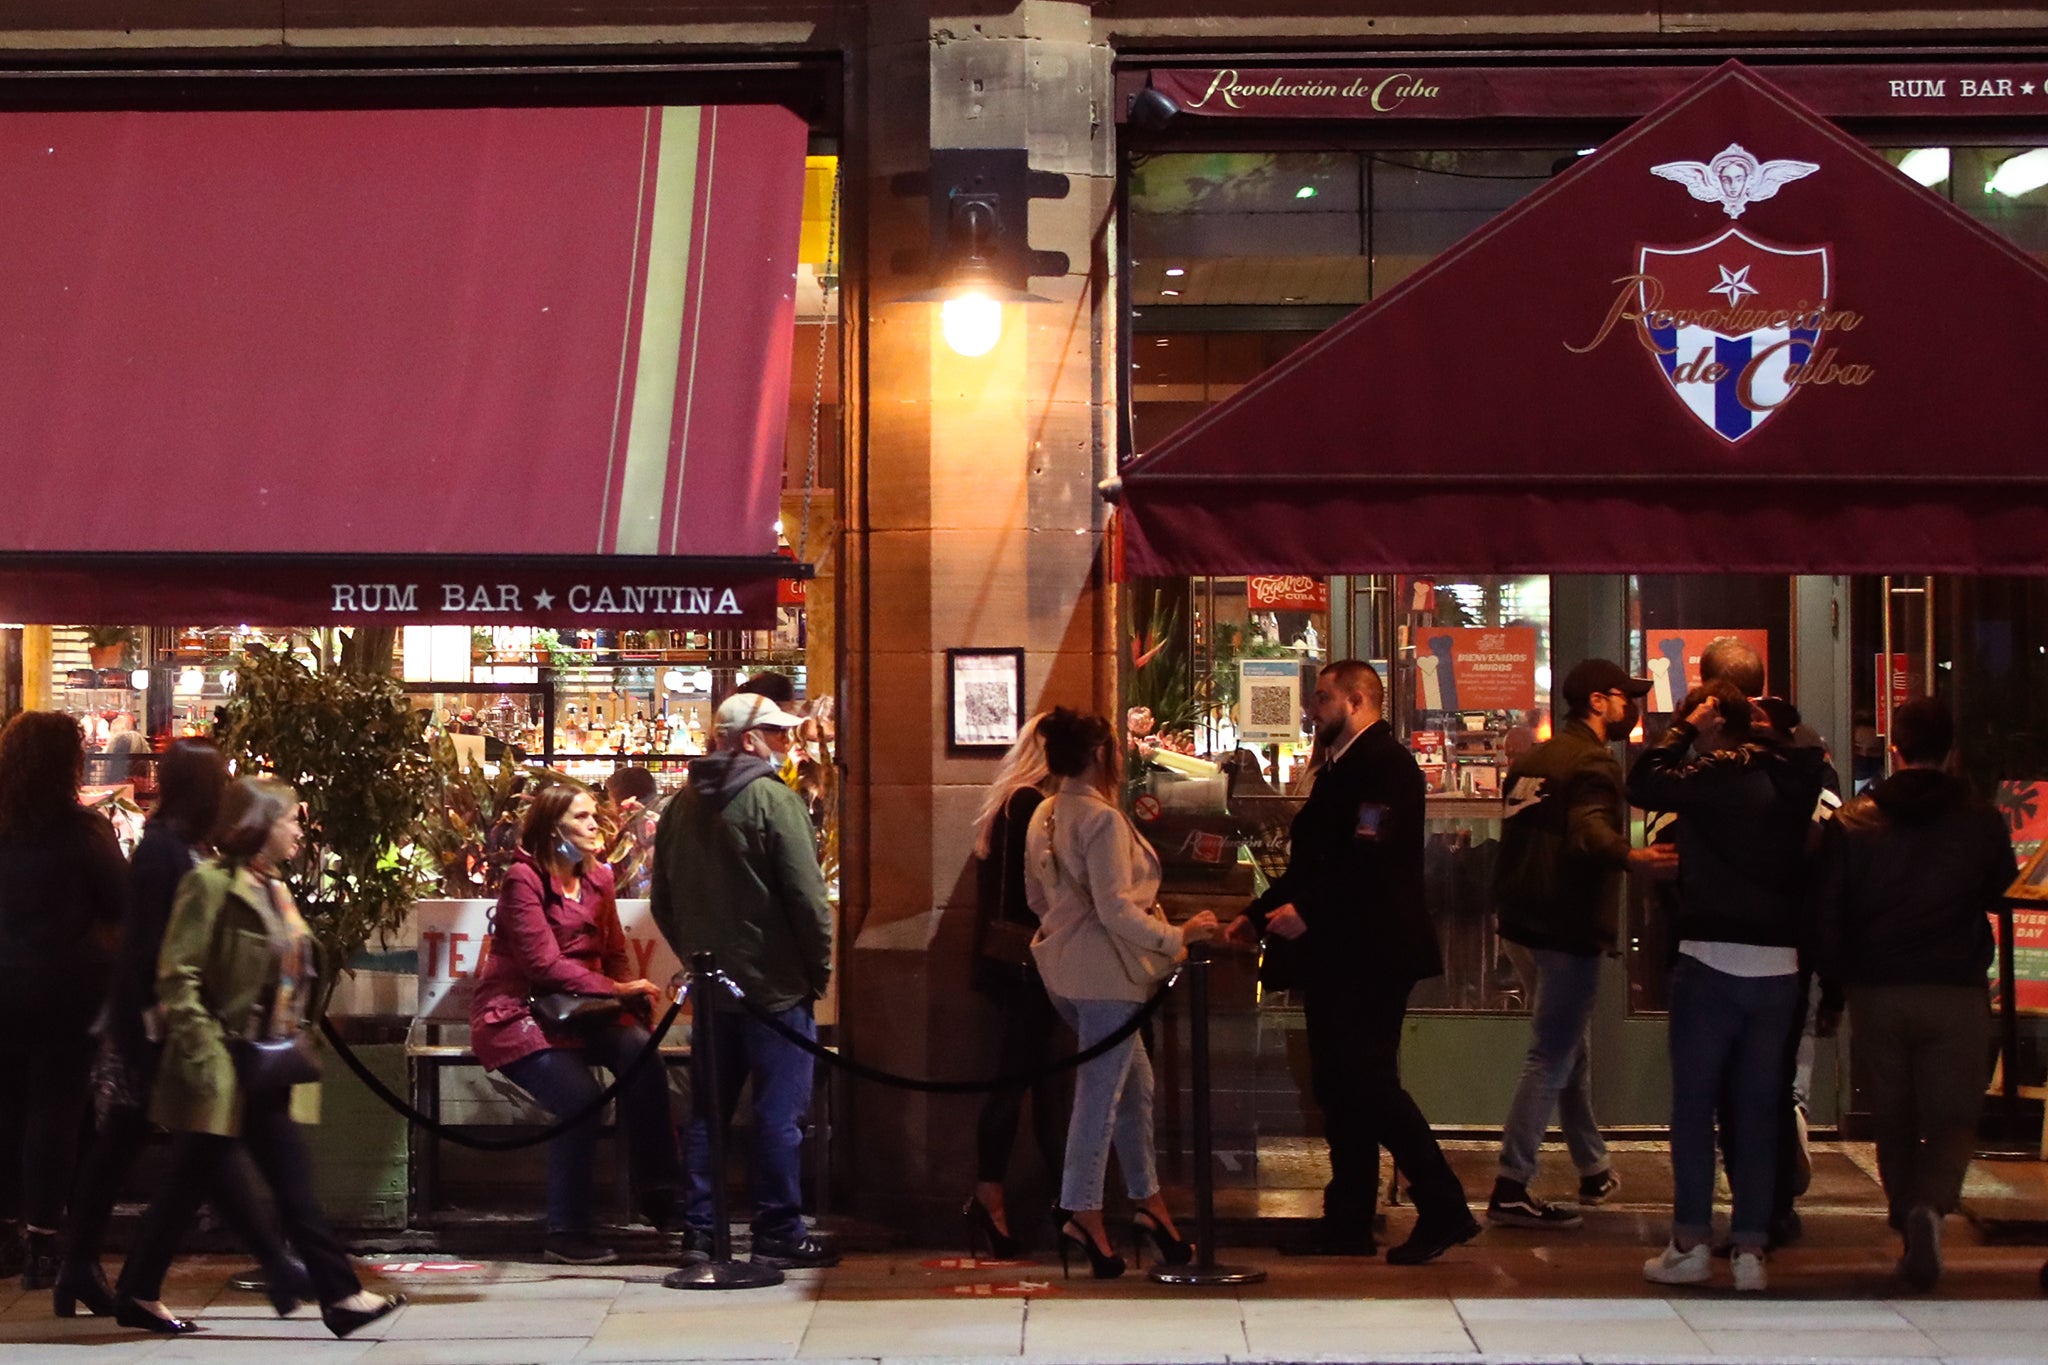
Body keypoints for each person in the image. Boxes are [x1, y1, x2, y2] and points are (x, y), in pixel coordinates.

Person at [113, 778, 405, 1337]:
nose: (299, 828)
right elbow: (179, 975)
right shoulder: (211, 884)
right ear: (261, 823)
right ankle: (340, 1295)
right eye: (291, 818)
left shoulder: (273, 885)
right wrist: (204, 1052)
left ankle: (138, 1291)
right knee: (288, 1185)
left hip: (264, 1060)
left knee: (193, 1184)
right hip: (223, 1063)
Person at [1225, 661, 1479, 1264]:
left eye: (1321, 698)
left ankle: (1443, 1206)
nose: (1311, 710)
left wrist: (1305, 913)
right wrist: (1259, 914)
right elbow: (1318, 864)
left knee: (1367, 1083)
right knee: (1340, 1087)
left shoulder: (1384, 767)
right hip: (1343, 953)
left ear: (1358, 699)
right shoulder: (1343, 768)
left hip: (1370, 953)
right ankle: (1347, 1220)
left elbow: (1366, 862)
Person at [59, 740, 303, 1318]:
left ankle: (83, 1269)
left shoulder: (182, 847)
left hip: (158, 1023)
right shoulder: (164, 852)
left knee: (131, 1145)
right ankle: (275, 1262)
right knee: (201, 1148)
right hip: (156, 1027)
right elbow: (151, 950)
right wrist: (157, 1026)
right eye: (220, 779)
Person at [1627, 680, 1826, 1292]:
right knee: (1760, 1107)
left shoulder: (1717, 773)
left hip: (1711, 954)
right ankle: (1750, 1252)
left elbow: (1644, 782)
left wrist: (1686, 729)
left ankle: (1690, 1241)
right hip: (1780, 965)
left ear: (1714, 723)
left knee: (1695, 1107)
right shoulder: (1795, 775)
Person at [1816, 698, 2013, 1290]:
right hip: (1954, 987)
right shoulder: (1979, 819)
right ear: (1951, 751)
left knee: (1893, 1115)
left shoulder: (1853, 821)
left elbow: (1831, 912)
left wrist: (1832, 990)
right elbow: (2002, 885)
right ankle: (1931, 1203)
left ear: (1893, 749)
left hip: (1878, 988)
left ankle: (1907, 1217)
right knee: (1953, 1115)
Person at [1023, 708, 1217, 1279]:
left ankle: (1149, 1205)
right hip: (1110, 978)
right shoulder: (1101, 820)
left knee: (1135, 1089)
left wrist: (1064, 931)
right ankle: (1081, 1210)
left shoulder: (1043, 814)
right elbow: (1116, 909)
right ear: (1104, 755)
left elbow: (1037, 898)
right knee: (1101, 1096)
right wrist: (1175, 937)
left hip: (1064, 971)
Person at [651, 691, 837, 1268]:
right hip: (775, 986)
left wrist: (700, 958)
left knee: (708, 1112)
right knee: (779, 1115)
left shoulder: (680, 806)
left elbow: (662, 900)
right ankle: (778, 1229)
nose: (787, 742)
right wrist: (817, 968)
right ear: (748, 740)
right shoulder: (773, 801)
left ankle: (702, 1230)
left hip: (712, 987)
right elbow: (807, 898)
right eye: (778, 734)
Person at [1488, 659, 1672, 1230]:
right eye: (1625, 698)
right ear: (1598, 701)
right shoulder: (1594, 763)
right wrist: (1633, 856)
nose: (1631, 710)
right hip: (1565, 927)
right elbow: (1590, 830)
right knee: (1551, 1053)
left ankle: (1593, 1167)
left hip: (1520, 923)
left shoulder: (1533, 759)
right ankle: (1511, 1183)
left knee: (1571, 1046)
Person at [469, 784, 681, 1266]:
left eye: (594, 816)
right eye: (582, 818)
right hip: (519, 1011)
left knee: (640, 1054)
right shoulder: (524, 880)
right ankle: (566, 1229)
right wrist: (616, 990)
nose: (594, 826)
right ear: (552, 829)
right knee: (580, 1099)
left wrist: (628, 997)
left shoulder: (600, 879)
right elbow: (542, 965)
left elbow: (612, 952)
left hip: (583, 1009)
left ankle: (661, 1191)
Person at [0, 713, 127, 1290]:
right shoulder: (83, 832)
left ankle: (4, 1232)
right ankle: (45, 1241)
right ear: (68, 766)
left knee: (7, 1107)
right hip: (64, 992)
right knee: (55, 1111)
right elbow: (124, 904)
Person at [964, 714, 1067, 1260]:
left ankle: (1068, 1205)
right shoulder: (1030, 804)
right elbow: (1039, 892)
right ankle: (997, 1197)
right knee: (1025, 1085)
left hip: (1011, 964)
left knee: (1040, 1084)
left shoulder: (1009, 799)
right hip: (1028, 963)